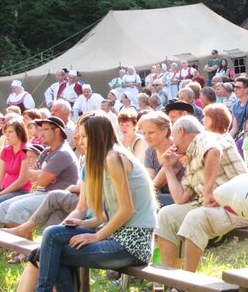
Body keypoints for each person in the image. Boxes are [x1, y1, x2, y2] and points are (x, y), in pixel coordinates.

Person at [34, 112, 157, 291]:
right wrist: (84, 222)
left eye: (85, 136)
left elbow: (127, 210)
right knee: (52, 234)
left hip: (132, 244)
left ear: (98, 136)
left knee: (54, 253)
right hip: (116, 235)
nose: (80, 141)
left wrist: (96, 236)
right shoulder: (101, 160)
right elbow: (107, 214)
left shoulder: (114, 158)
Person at [156, 116, 248, 271]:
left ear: (181, 131)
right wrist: (167, 167)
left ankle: (186, 286)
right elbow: (180, 198)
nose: (172, 143)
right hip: (213, 208)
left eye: (173, 136)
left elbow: (214, 152)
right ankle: (168, 278)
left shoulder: (204, 137)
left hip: (239, 206)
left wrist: (208, 192)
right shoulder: (192, 155)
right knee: (166, 215)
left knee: (195, 217)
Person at [0, 116, 79, 227]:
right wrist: (43, 173)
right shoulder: (46, 151)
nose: (41, 133)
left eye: (45, 129)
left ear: (57, 131)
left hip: (54, 197)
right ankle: (18, 243)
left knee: (16, 208)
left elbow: (42, 182)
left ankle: (21, 243)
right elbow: (29, 175)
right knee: (3, 206)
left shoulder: (62, 153)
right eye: (41, 130)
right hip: (41, 193)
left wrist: (41, 174)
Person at [137, 112, 185, 207]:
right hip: (161, 197)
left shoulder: (176, 149)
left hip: (179, 198)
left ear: (164, 131)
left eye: (151, 133)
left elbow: (156, 184)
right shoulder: (150, 150)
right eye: (143, 133)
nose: (146, 137)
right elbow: (149, 177)